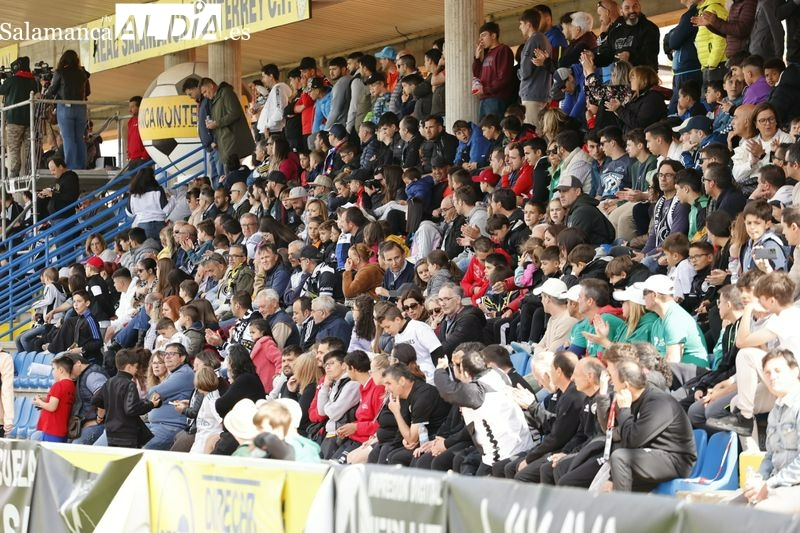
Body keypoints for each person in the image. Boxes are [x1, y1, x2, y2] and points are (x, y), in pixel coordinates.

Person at [434, 349, 533, 476]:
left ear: (464, 373)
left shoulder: (476, 392)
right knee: (467, 462)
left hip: (502, 455)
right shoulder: (498, 374)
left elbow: (447, 390)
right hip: (520, 444)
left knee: (477, 488)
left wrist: (440, 369)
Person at [605, 359, 696, 492]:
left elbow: (632, 440)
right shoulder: (637, 398)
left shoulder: (657, 401)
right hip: (653, 454)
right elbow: (625, 437)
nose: (613, 387)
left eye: (614, 382)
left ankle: (621, 508)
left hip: (675, 459)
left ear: (625, 386)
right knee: (616, 463)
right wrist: (611, 478)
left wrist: (624, 409)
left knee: (620, 458)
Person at [734, 349, 800, 514]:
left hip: (794, 486)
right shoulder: (775, 412)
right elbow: (770, 456)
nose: (772, 376)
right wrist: (759, 478)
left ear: (795, 371)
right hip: (777, 484)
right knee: (727, 510)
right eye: (767, 372)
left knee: (758, 514)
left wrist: (768, 484)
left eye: (778, 370)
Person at [91, 349, 162, 448]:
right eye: (136, 366)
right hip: (127, 433)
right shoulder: (129, 384)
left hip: (111, 432)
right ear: (129, 367)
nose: (137, 369)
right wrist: (151, 404)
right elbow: (131, 409)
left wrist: (112, 405)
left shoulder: (110, 382)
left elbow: (95, 400)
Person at [44, 49, 90, 170]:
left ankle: (71, 166)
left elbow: (52, 91)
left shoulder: (60, 72)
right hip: (81, 107)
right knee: (79, 137)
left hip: (65, 107)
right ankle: (82, 165)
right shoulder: (82, 73)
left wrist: (45, 89)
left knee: (68, 138)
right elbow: (88, 92)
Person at [200, 77, 255, 169]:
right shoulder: (215, 100)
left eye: (205, 91)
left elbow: (235, 113)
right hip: (225, 143)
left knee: (232, 175)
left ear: (211, 86)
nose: (205, 95)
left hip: (232, 142)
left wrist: (217, 123)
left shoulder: (226, 93)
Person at [0, 56, 38, 177]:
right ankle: (29, 174)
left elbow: (1, 90)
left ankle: (14, 176)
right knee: (29, 151)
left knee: (14, 150)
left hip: (13, 121)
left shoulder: (12, 80)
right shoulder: (34, 81)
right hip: (29, 121)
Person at [472, 21, 516, 118]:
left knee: (493, 128)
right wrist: (477, 58)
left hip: (496, 98)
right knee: (484, 130)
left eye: (483, 35)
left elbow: (504, 77)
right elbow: (477, 75)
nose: (481, 39)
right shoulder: (488, 53)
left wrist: (486, 89)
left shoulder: (503, 50)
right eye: (480, 37)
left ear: (493, 36)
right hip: (484, 97)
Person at [32, 354, 75, 443]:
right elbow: (60, 401)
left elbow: (52, 407)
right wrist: (46, 399)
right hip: (62, 429)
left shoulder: (58, 385)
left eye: (54, 369)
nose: (53, 372)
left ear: (61, 370)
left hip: (52, 428)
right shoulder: (72, 385)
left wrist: (39, 401)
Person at [126, 166, 174, 241]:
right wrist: (172, 198)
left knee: (147, 250)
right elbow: (167, 209)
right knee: (162, 251)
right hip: (160, 225)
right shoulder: (158, 190)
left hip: (142, 228)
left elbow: (129, 213)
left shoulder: (133, 194)